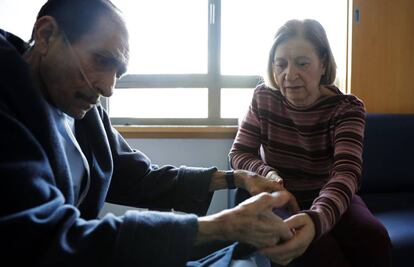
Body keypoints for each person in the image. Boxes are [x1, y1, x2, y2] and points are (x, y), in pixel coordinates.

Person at [0, 1, 296, 266]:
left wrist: (235, 178)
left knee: (241, 252)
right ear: (46, 35)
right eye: (101, 61)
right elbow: (42, 239)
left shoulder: (83, 113)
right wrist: (216, 227)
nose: (108, 87)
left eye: (118, 72)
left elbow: (139, 177)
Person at [229, 19, 392, 267]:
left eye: (302, 64)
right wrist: (267, 173)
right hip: (280, 196)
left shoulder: (347, 108)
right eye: (280, 64)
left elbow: (346, 172)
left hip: (330, 194)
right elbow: (239, 152)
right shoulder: (264, 98)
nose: (289, 75)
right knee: (316, 250)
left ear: (323, 63)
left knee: (374, 238)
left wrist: (317, 218)